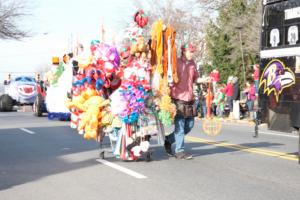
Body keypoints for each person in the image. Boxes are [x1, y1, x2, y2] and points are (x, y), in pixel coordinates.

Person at [164, 43, 199, 160]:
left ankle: (169, 140)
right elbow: (169, 78)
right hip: (178, 97)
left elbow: (196, 78)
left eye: (193, 51)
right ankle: (179, 151)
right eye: (190, 51)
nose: (192, 53)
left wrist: (205, 79)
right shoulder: (176, 63)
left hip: (189, 98)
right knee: (180, 125)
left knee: (189, 125)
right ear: (184, 51)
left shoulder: (193, 64)